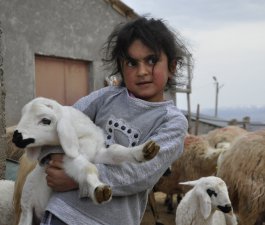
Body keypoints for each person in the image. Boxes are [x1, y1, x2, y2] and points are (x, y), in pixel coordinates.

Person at [39, 16, 191, 225]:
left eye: (151, 60)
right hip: (64, 212)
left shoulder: (172, 122)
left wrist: (77, 177)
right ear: (121, 65)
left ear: (172, 66)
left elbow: (139, 173)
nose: (142, 71)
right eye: (131, 62)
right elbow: (60, 122)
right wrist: (52, 158)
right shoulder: (106, 97)